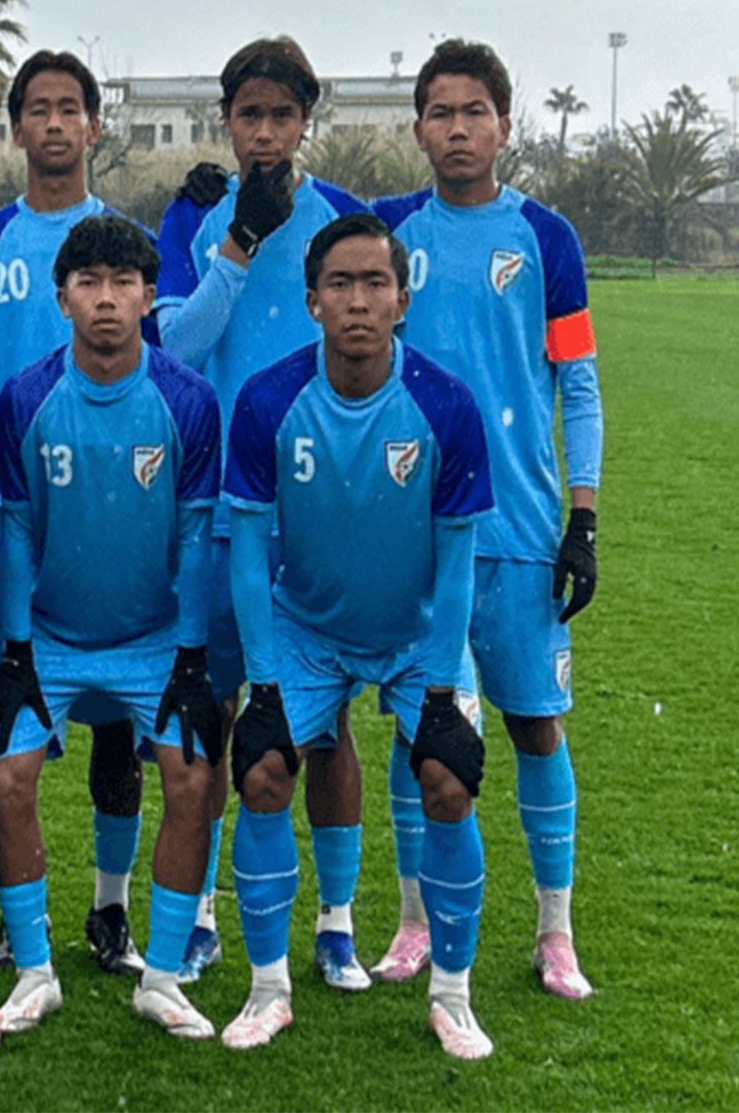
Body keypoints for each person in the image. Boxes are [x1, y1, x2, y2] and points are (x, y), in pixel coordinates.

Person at [221, 214, 495, 1057]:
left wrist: (445, 688)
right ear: (311, 301)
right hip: (306, 628)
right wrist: (263, 684)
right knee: (264, 773)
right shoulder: (268, 400)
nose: (359, 302)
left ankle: (453, 996)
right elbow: (244, 553)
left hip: (418, 635)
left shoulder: (446, 405)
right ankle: (269, 991)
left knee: (449, 780)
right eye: (340, 285)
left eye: (376, 284)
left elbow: (457, 566)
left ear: (402, 299)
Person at [375, 39, 602, 999]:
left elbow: (578, 384)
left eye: (475, 112)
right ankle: (414, 920)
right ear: (418, 127)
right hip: (411, 531)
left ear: (504, 125)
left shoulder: (547, 238)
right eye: (440, 112)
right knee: (411, 729)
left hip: (519, 529)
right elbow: (289, 221)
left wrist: (582, 519)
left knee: (535, 726)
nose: (457, 129)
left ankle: (555, 931)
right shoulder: (386, 233)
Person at [155, 36, 373, 985]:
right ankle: (199, 913)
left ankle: (335, 921)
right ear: (228, 122)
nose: (267, 132)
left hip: (322, 512)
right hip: (216, 509)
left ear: (306, 123)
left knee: (325, 728)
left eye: (284, 115)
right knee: (215, 714)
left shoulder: (341, 223)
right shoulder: (195, 218)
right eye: (251, 115)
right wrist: (235, 240)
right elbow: (179, 350)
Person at [0, 214, 223, 1040]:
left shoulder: (188, 401)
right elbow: (16, 532)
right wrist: (16, 648)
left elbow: (197, 537)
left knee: (193, 779)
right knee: (8, 778)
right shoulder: (25, 396)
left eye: (124, 282)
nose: (107, 299)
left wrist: (192, 655)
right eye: (88, 282)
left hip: (155, 638)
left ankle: (160, 976)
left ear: (151, 296)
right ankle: (32, 972)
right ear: (62, 298)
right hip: (50, 635)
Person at [0, 49, 154, 976]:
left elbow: (166, 355)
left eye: (70, 107)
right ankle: (13, 922)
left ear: (94, 126)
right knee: (10, 725)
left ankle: (111, 911)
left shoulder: (124, 239)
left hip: (120, 519)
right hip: (12, 520)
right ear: (16, 127)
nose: (54, 124)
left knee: (116, 727)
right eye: (37, 108)